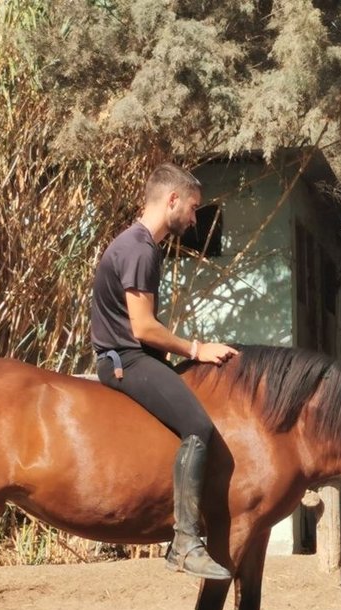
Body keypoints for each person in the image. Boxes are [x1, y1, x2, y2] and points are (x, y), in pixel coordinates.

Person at [90, 162, 239, 580]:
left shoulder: (137, 244)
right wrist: (197, 347)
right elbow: (143, 327)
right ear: (171, 200)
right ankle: (186, 542)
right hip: (127, 360)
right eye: (192, 208)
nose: (194, 219)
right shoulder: (139, 248)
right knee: (199, 427)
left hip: (134, 358)